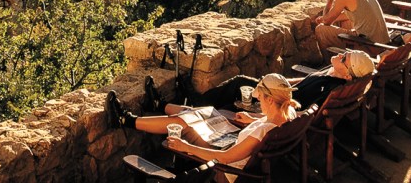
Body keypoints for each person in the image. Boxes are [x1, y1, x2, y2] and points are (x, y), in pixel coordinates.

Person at [106, 73, 302, 168]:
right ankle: (159, 105)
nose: (257, 97)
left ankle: (126, 120)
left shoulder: (264, 131)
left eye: (260, 95)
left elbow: (225, 159)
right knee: (206, 112)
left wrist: (186, 147)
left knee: (185, 123)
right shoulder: (288, 113)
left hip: (226, 159)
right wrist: (254, 118)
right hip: (232, 142)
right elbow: (268, 123)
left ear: (269, 99)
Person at [312, 0, 391, 52]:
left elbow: (326, 22)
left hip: (370, 46)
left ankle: (332, 62)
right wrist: (331, 17)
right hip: (384, 42)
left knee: (321, 29)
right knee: (345, 21)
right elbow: (356, 13)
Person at [288, 49, 376, 108]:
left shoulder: (326, 88)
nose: (340, 55)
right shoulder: (334, 73)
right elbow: (307, 81)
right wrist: (287, 82)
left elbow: (299, 109)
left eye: (344, 59)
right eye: (345, 53)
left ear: (347, 76)